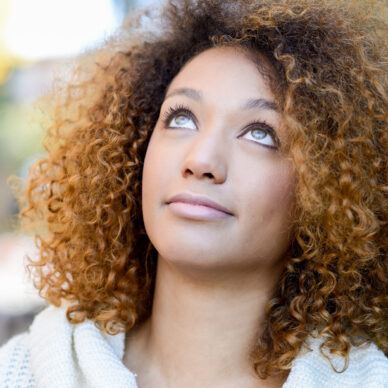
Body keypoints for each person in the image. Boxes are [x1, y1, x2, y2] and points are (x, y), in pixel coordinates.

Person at [1, 0, 387, 386]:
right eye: (182, 117)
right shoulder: (19, 372)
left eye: (260, 133)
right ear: (135, 151)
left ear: (328, 188)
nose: (201, 159)